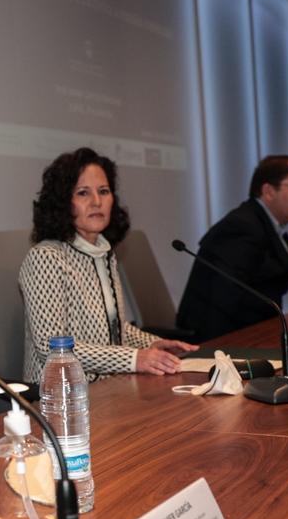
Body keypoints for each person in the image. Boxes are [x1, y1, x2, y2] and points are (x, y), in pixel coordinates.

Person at [20, 148, 197, 383]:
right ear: (63, 203)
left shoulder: (104, 252)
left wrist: (153, 344)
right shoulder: (46, 258)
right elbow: (51, 347)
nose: (96, 201)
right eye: (83, 193)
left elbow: (113, 328)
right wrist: (134, 359)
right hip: (59, 395)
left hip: (108, 388)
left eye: (103, 191)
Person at [176, 154, 288, 342]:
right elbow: (222, 304)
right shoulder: (241, 227)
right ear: (268, 191)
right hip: (219, 344)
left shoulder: (265, 225)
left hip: (254, 336)